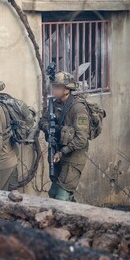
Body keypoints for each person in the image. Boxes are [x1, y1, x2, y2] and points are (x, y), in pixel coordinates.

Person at [40, 71, 90, 201]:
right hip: (57, 153)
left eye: (58, 87)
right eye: (54, 86)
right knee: (53, 193)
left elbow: (81, 139)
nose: (54, 89)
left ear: (67, 89)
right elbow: (42, 121)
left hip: (73, 157)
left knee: (61, 197)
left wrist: (62, 152)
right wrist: (49, 128)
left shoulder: (78, 108)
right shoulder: (54, 105)